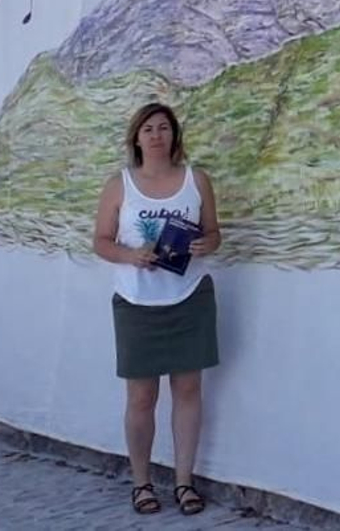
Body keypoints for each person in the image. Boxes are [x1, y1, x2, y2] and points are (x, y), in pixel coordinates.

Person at [93, 102, 222, 516]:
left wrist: (208, 243)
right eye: (148, 128)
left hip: (190, 296)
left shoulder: (196, 180)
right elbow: (101, 240)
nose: (156, 135)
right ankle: (142, 483)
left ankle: (184, 482)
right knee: (141, 395)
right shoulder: (120, 185)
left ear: (174, 135)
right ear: (136, 137)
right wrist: (131, 256)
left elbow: (214, 233)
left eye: (163, 127)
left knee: (188, 389)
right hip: (136, 303)